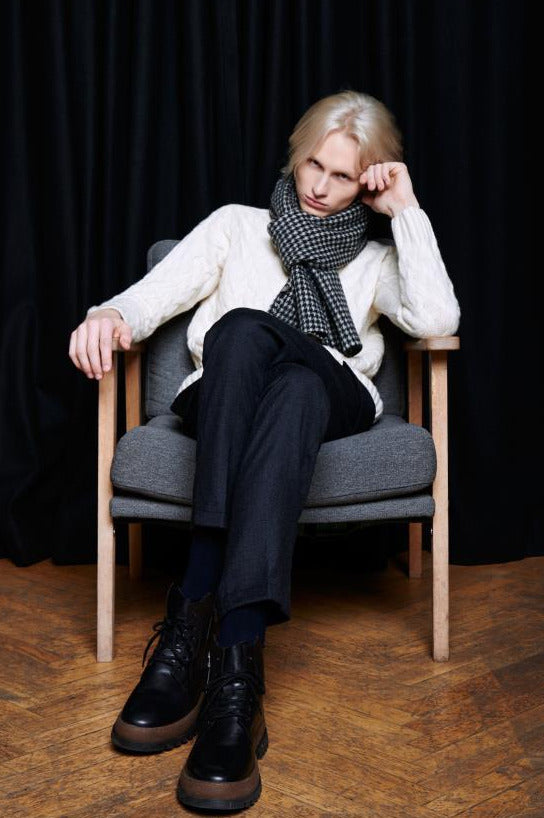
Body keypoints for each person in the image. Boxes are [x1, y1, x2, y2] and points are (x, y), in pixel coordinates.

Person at [69, 89, 460, 811]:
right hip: (229, 393)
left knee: (289, 364)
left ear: (367, 179)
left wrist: (405, 209)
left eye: (343, 176)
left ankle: (192, 613)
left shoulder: (376, 259)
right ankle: (237, 672)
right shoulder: (237, 228)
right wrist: (110, 314)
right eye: (313, 164)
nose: (319, 186)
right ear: (295, 156)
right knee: (251, 344)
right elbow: (153, 296)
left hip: (339, 394)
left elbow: (438, 316)